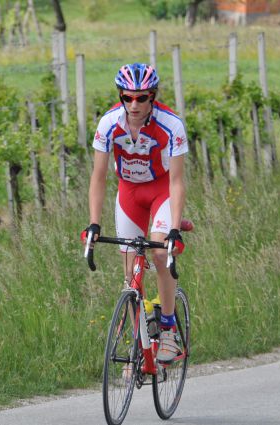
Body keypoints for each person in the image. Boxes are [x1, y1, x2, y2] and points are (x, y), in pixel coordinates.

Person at [82, 63, 188, 364]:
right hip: (129, 192)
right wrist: (94, 223)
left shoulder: (172, 125)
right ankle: (139, 345)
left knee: (157, 252)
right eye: (128, 97)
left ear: (152, 97)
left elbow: (178, 181)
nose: (134, 105)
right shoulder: (108, 124)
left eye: (142, 98)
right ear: (121, 96)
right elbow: (99, 176)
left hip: (161, 189)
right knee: (130, 278)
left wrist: (174, 228)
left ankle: (168, 329)